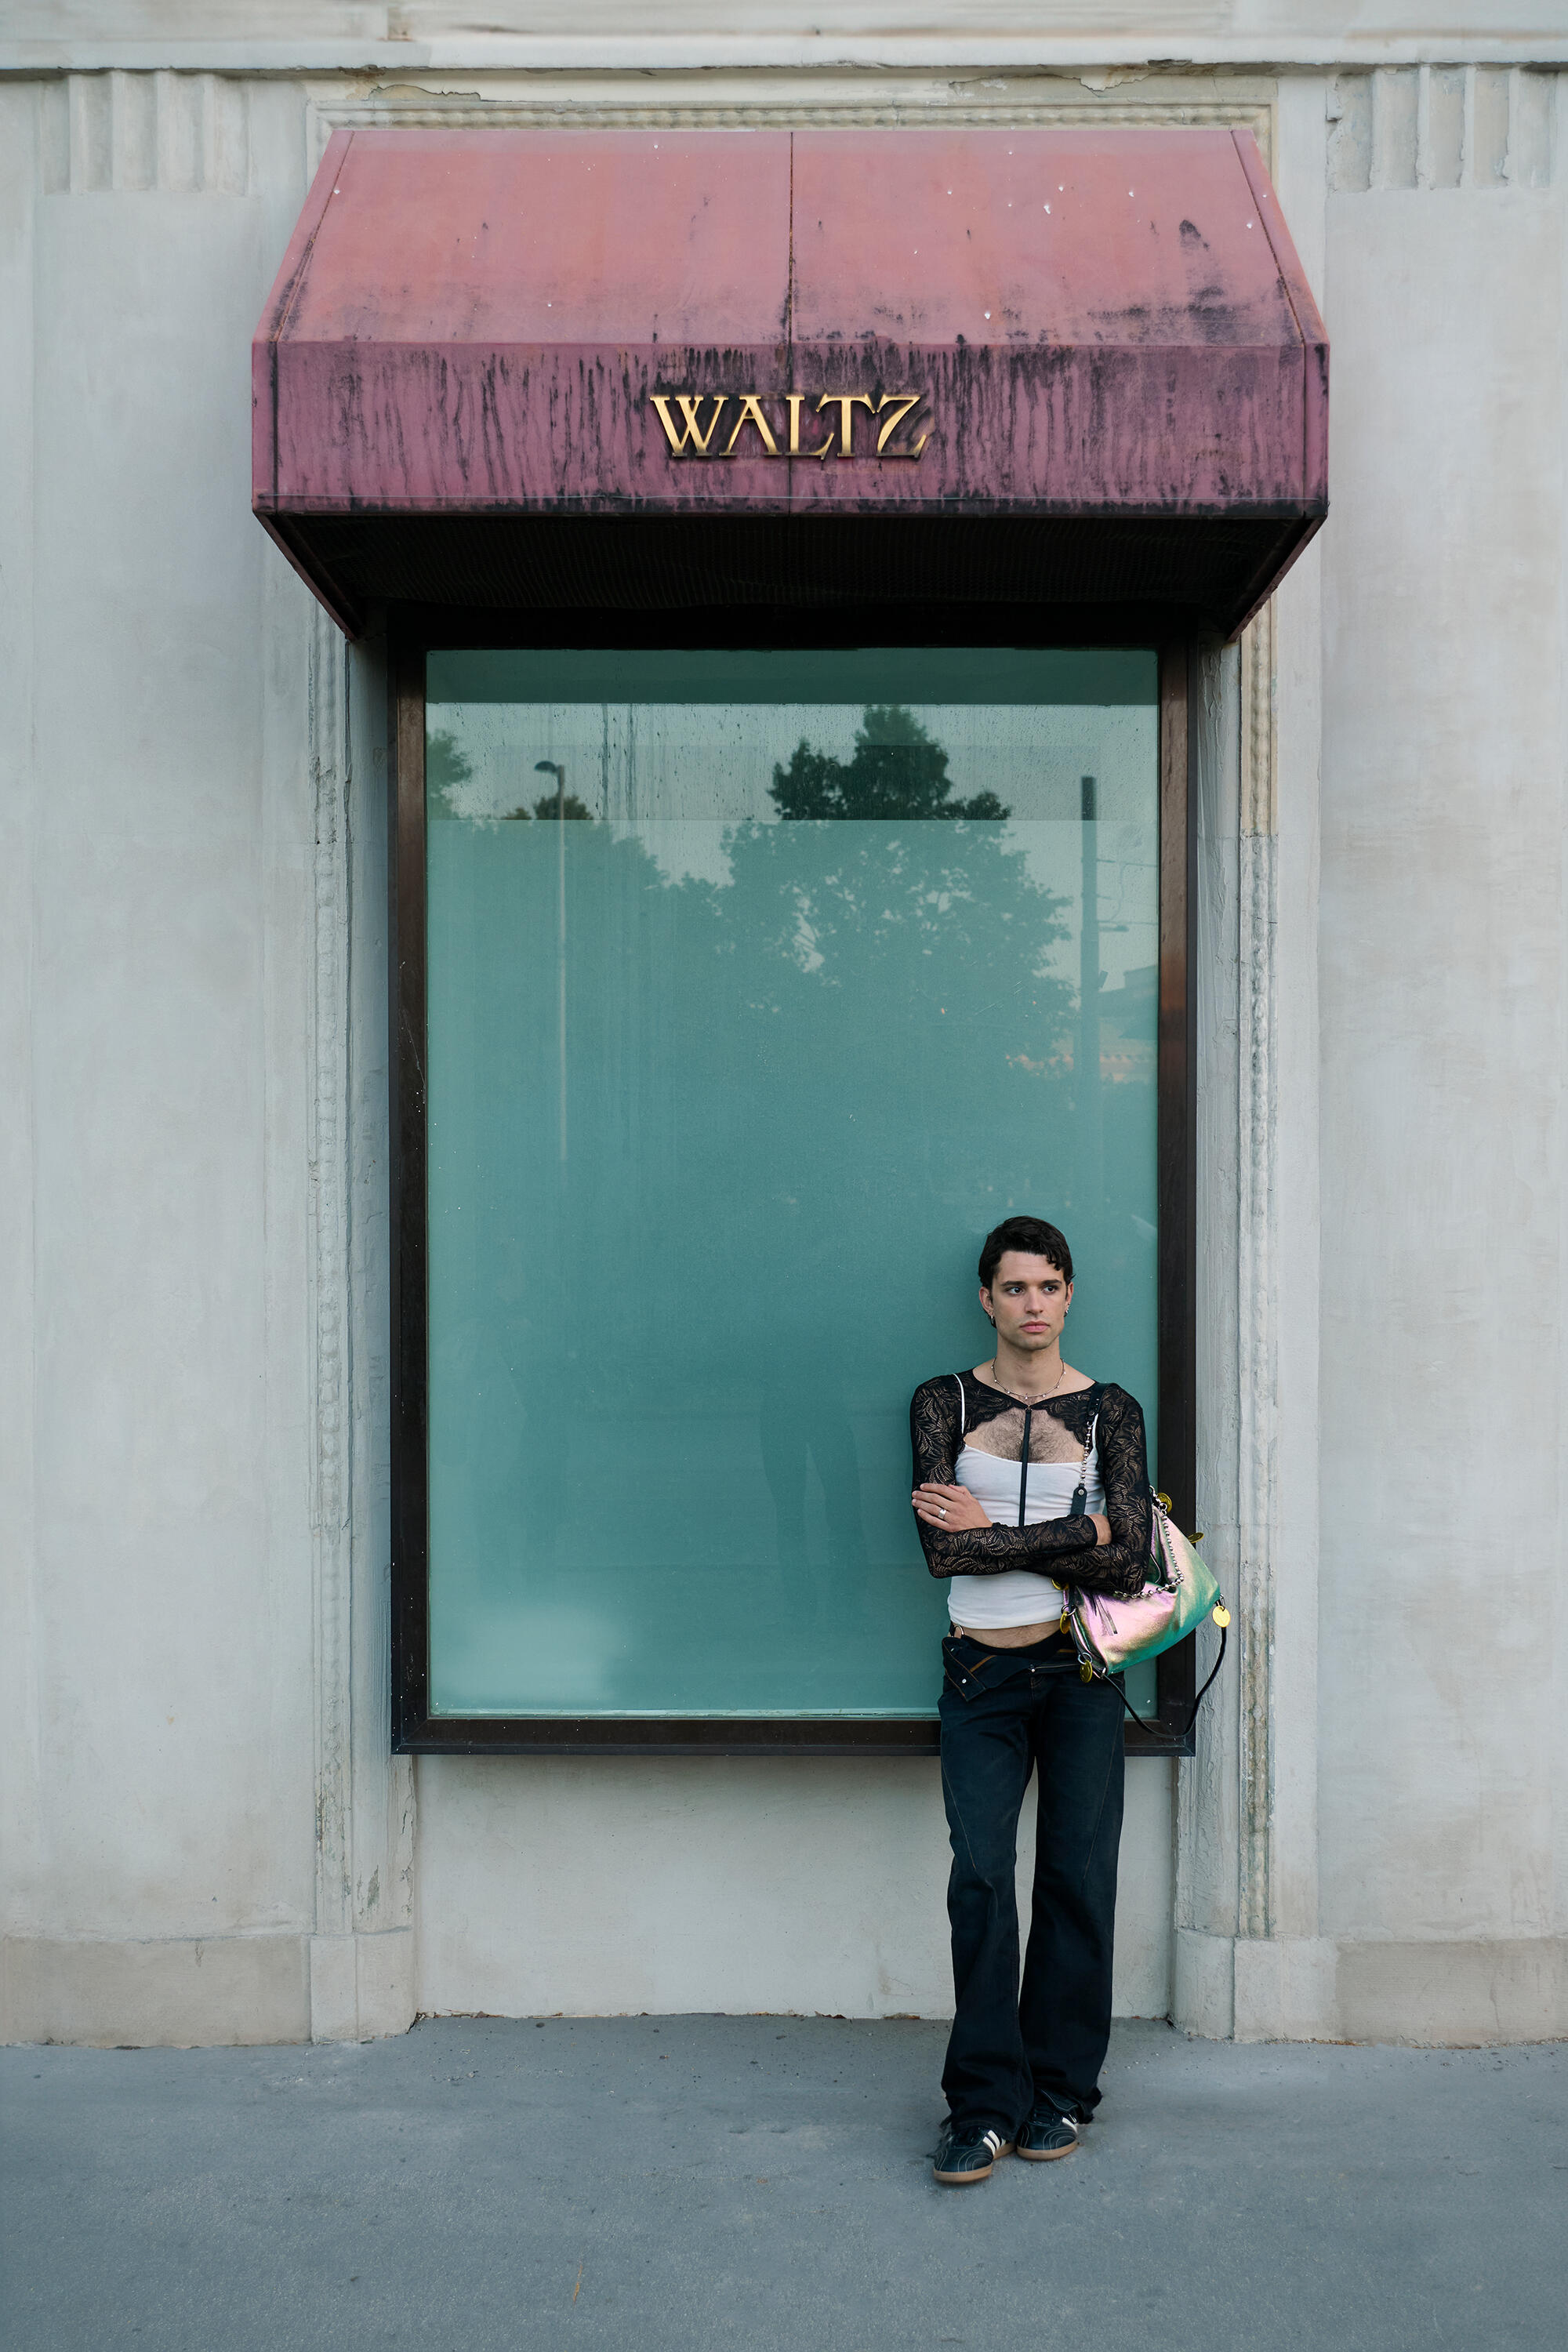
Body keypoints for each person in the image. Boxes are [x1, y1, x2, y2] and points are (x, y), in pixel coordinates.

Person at [909, 1214, 1152, 2187]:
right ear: (986, 1298)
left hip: (1082, 1671)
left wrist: (1011, 1533)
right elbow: (941, 1552)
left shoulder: (1109, 1411)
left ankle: (1059, 2092)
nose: (1033, 1305)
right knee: (979, 1880)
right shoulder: (942, 1402)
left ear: (1067, 1294)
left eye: (1048, 1287)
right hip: (979, 1672)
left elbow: (1131, 1553)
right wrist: (1080, 1524)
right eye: (1014, 1288)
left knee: (1076, 1883)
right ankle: (981, 2105)